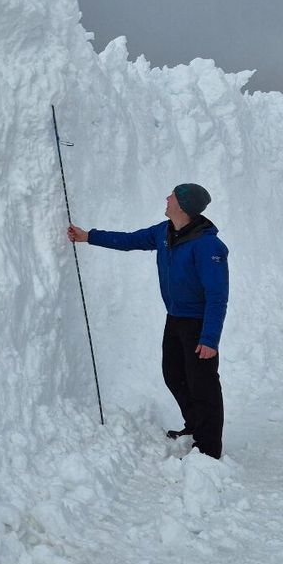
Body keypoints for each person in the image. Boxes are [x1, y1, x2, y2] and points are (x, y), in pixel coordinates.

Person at [68, 183, 229, 459]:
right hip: (175, 318)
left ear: (183, 206)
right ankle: (195, 425)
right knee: (174, 375)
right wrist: (88, 237)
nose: (167, 198)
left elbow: (217, 296)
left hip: (199, 323)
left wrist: (209, 338)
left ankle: (209, 449)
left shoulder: (208, 246)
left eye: (172, 196)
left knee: (203, 384)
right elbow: (130, 240)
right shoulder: (164, 232)